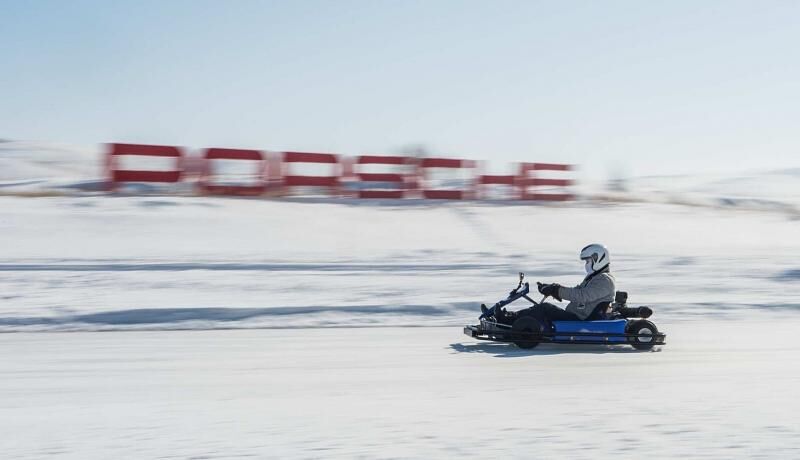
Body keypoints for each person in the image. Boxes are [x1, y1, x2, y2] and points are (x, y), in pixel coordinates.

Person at [492, 244, 616, 330]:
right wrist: (552, 289)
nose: (586, 264)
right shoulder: (596, 277)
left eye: (588, 261)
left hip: (581, 319)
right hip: (577, 316)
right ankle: (510, 318)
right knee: (541, 309)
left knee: (545, 309)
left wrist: (557, 290)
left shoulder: (605, 280)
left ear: (598, 259)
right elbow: (577, 290)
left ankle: (506, 320)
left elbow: (582, 296)